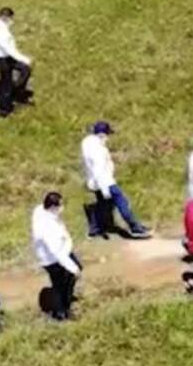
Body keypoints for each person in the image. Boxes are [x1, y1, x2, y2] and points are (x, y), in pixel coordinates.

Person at [80, 121, 152, 239]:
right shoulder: (98, 149)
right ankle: (135, 228)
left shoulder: (87, 145)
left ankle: (95, 229)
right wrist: (105, 189)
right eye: (107, 134)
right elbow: (99, 168)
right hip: (106, 182)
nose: (108, 137)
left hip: (95, 182)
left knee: (102, 205)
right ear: (102, 134)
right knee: (122, 203)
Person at [33, 192, 82, 320]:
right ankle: (62, 312)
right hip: (54, 260)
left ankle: (66, 298)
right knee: (61, 285)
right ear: (53, 207)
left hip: (60, 253)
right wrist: (72, 268)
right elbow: (56, 252)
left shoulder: (40, 210)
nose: (62, 207)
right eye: (60, 205)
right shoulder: (48, 228)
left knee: (68, 278)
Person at [0, 6, 34, 117]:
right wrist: (24, 58)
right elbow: (6, 47)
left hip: (5, 57)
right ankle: (4, 110)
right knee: (6, 84)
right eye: (10, 19)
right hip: (3, 59)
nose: (11, 22)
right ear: (5, 17)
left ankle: (18, 93)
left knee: (25, 70)